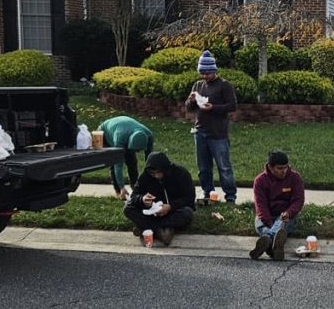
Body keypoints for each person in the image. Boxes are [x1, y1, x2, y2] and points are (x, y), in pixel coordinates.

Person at [185, 50, 238, 204]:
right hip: (200, 131)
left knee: (224, 167)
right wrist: (192, 101)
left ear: (214, 70)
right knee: (203, 167)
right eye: (202, 72)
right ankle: (207, 192)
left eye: (208, 72)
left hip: (218, 133)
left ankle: (230, 196)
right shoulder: (198, 85)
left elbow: (232, 106)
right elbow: (189, 107)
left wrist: (213, 107)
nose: (205, 76)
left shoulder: (224, 85)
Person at [123, 152, 195, 246]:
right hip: (152, 211)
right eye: (153, 173)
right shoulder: (145, 176)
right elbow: (134, 196)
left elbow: (189, 198)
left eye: (159, 172)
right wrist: (143, 199)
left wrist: (170, 206)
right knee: (127, 209)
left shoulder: (181, 174)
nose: (156, 176)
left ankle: (148, 228)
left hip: (173, 210)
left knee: (187, 213)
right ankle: (162, 230)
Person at [250, 150, 306, 261]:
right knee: (263, 225)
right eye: (279, 168)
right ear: (270, 167)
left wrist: (289, 212)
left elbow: (298, 200)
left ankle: (267, 242)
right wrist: (272, 225)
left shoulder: (295, 178)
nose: (284, 171)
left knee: (283, 224)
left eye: (286, 167)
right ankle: (274, 245)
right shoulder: (260, 181)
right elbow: (261, 206)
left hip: (285, 215)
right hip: (266, 215)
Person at [99, 116, 155, 200]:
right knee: (113, 163)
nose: (137, 152)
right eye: (135, 150)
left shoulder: (149, 135)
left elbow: (150, 160)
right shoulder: (119, 138)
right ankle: (119, 191)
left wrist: (150, 178)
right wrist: (122, 187)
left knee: (132, 162)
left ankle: (135, 187)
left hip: (125, 130)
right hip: (105, 133)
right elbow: (118, 165)